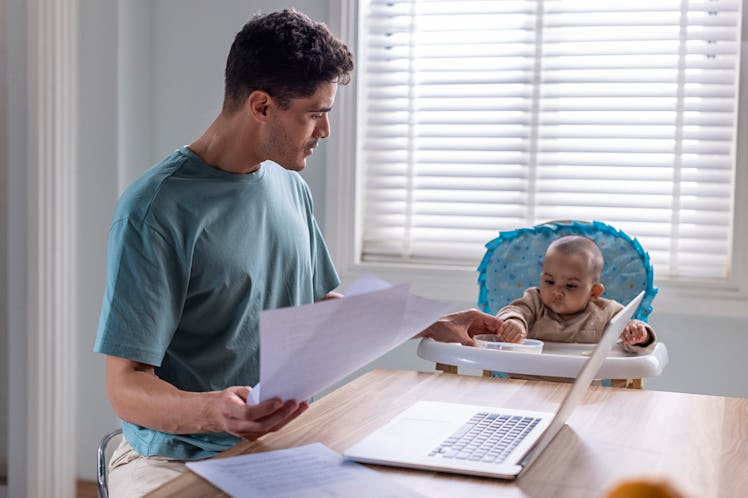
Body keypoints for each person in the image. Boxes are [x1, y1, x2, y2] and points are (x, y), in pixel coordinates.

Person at [93, 9, 501, 497]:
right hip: (174, 456)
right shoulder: (156, 209)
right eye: (314, 113)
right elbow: (126, 387)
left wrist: (426, 321)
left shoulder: (289, 187)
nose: (324, 130)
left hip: (273, 445)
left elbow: (317, 311)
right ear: (262, 105)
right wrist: (215, 411)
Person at [496, 235, 656, 352]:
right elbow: (514, 310)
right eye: (549, 282)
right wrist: (514, 323)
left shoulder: (606, 312)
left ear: (594, 292)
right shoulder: (534, 302)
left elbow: (627, 327)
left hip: (581, 391)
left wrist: (638, 333)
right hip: (527, 385)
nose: (556, 291)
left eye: (570, 286)